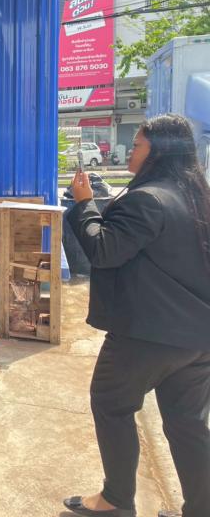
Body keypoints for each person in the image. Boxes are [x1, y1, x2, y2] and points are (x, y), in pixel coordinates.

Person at [63, 115, 210, 517]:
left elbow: (104, 251)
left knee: (111, 405)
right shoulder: (198, 197)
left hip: (147, 335)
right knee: (187, 424)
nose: (131, 151)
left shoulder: (148, 199)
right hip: (197, 338)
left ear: (158, 151)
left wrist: (84, 205)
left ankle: (115, 501)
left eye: (139, 145)